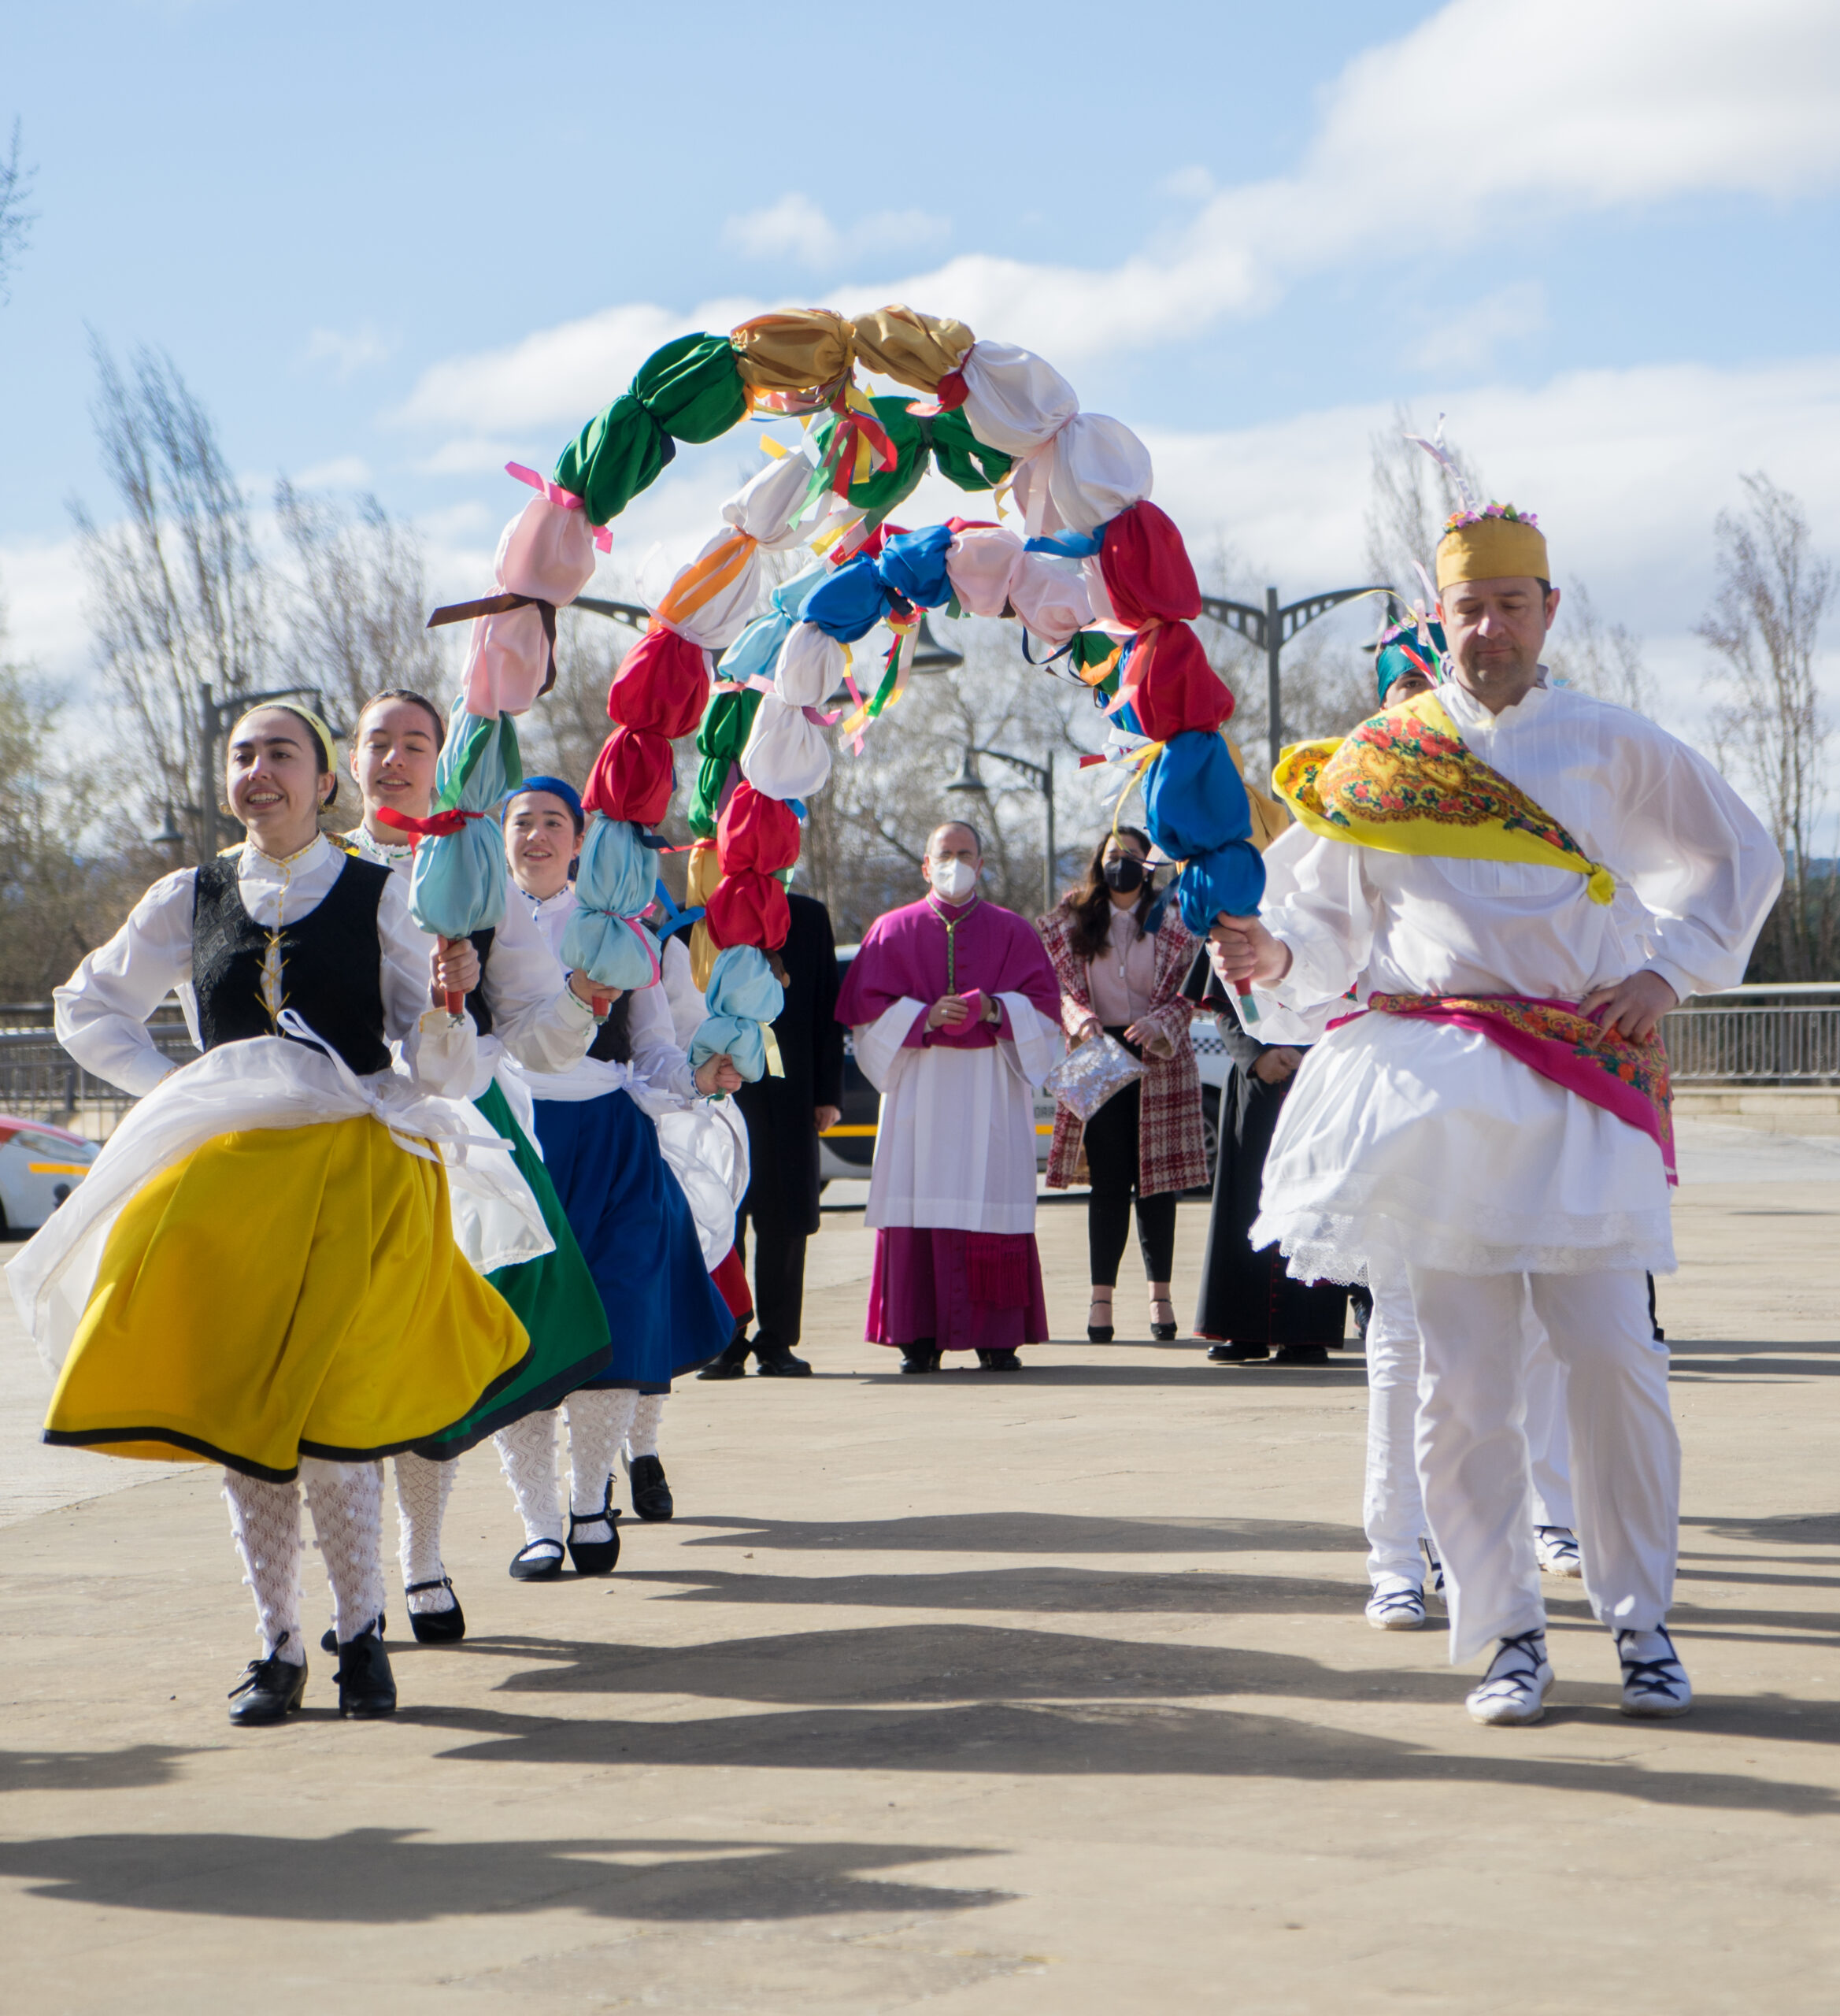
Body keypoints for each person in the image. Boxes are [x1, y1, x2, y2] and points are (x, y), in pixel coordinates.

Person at [1211, 498, 1781, 1724]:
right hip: (1436, 1089)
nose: (1490, 628)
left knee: (1613, 1358)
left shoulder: (1609, 743)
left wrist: (1666, 973)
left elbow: (1738, 854)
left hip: (1577, 1078)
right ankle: (1507, 1634)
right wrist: (1273, 956)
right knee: (1461, 1384)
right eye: (1469, 607)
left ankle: (1641, 1625)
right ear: (1440, 615)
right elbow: (1321, 919)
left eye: (1511, 604)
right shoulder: (1383, 755)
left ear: (1548, 611)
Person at [13, 704, 532, 1725]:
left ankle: (363, 1636)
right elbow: (89, 1005)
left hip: (354, 1178)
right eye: (242, 755)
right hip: (230, 1189)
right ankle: (277, 1645)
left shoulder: (383, 894)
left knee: (337, 1422)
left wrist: (449, 1005)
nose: (259, 770)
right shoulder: (190, 893)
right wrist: (181, 1088)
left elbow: (443, 1071)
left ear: (325, 782)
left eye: (281, 754)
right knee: (247, 1423)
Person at [342, 690, 609, 1644]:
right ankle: (349, 1588)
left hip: (456, 1136)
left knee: (432, 1355)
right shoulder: (318, 869)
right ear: (350, 760)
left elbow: (534, 1020)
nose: (396, 758)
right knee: (341, 1360)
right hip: (335, 1132)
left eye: (418, 742)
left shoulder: (478, 872)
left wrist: (586, 996)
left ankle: (422, 1559)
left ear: (443, 762)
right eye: (379, 741)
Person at [494, 779, 741, 1566]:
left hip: (612, 1140)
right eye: (521, 821)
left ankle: (590, 1499)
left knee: (619, 1318)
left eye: (553, 823)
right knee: (523, 1332)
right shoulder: (473, 926)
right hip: (516, 1142)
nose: (536, 835)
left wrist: (695, 1078)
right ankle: (538, 1521)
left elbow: (656, 1048)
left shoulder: (629, 934)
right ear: (499, 836)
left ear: (579, 841)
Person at [834, 821, 1063, 1373]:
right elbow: (865, 1024)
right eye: (944, 854)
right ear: (925, 865)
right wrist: (924, 1016)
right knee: (919, 1198)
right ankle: (917, 1338)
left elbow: (1046, 1017)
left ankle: (997, 1338)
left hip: (991, 1086)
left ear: (981, 864)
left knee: (992, 1201)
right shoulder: (891, 930)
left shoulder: (1014, 932)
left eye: (965, 854)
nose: (954, 863)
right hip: (920, 1088)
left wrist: (995, 1009)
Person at [1038, 825, 1206, 1343]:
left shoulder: (1174, 919)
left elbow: (1190, 992)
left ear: (1149, 864)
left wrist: (1161, 1022)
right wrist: (1080, 1020)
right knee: (1108, 1183)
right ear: (1099, 861)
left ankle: (1161, 1298)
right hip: (1099, 1056)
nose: (1122, 862)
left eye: (1133, 854)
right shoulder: (1071, 921)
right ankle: (1100, 1300)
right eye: (1114, 853)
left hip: (1160, 1056)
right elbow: (1058, 989)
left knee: (1157, 1184)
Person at [699, 888, 845, 1379]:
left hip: (791, 1088)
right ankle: (726, 1338)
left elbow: (826, 1006)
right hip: (721, 1088)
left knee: (787, 1217)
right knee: (723, 1215)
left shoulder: (807, 916)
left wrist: (827, 1093)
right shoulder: (708, 909)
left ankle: (777, 1340)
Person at [1185, 958, 1349, 1366]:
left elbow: (1352, 996)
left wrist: (1315, 1055)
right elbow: (1228, 1002)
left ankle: (1306, 1334)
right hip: (1256, 1083)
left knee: (1313, 1200)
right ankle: (1244, 1330)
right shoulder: (1236, 923)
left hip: (1321, 1080)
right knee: (1246, 1201)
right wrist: (1257, 1054)